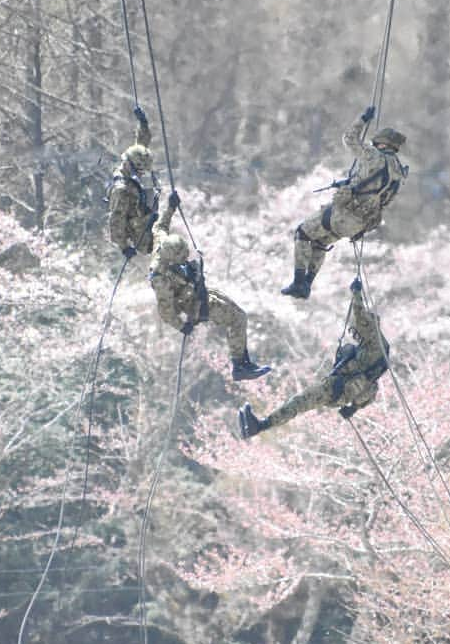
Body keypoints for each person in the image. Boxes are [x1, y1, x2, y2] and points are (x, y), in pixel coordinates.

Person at [281, 107, 406, 299]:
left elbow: (349, 138)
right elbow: (380, 195)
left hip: (342, 213)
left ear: (381, 143)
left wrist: (363, 118)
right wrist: (353, 184)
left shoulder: (374, 155)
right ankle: (307, 285)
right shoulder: (399, 171)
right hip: (359, 225)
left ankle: (298, 282)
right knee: (320, 243)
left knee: (303, 233)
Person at [239, 278, 387, 438]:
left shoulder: (374, 339)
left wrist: (356, 293)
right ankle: (258, 426)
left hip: (337, 388)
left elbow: (360, 316)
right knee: (300, 402)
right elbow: (372, 388)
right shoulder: (378, 354)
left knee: (299, 402)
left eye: (357, 331)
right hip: (339, 390)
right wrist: (354, 408)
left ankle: (259, 426)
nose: (355, 334)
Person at [150, 191, 271, 381]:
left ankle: (245, 361)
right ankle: (239, 366)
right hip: (193, 304)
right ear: (171, 258)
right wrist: (182, 326)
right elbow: (165, 310)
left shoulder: (161, 243)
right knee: (237, 319)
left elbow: (159, 226)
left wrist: (171, 207)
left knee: (240, 314)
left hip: (198, 288)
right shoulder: (161, 278)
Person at [107, 105, 159, 259]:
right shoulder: (121, 190)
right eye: (140, 171)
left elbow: (141, 145)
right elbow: (116, 219)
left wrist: (143, 124)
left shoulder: (132, 165)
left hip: (142, 211)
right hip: (136, 227)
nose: (142, 174)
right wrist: (124, 247)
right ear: (131, 166)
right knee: (152, 245)